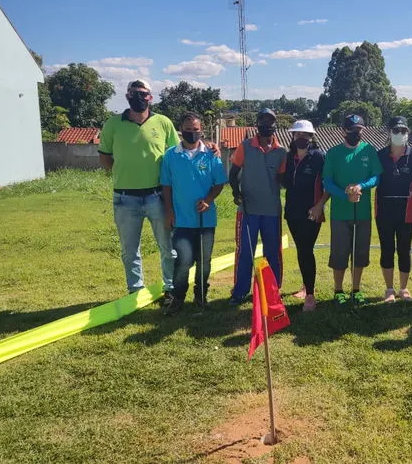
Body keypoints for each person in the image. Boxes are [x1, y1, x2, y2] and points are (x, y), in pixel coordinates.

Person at [98, 79, 179, 299]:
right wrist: (123, 172)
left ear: (150, 97)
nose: (139, 97)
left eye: (143, 93)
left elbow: (176, 155)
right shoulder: (113, 124)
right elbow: (105, 157)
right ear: (127, 96)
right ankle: (135, 290)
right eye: (134, 93)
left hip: (157, 196)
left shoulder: (163, 123)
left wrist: (208, 147)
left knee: (167, 246)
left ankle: (170, 288)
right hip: (125, 198)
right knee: (129, 249)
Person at [159, 112, 227, 315]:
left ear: (201, 130)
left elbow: (219, 182)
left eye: (196, 130)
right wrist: (169, 212)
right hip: (181, 221)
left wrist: (207, 200)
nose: (192, 134)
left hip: (206, 221)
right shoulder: (170, 155)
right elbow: (166, 186)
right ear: (181, 131)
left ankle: (201, 296)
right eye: (188, 130)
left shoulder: (211, 155)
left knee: (204, 261)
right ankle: (178, 298)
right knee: (183, 261)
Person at [322, 114, 383, 305]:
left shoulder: (369, 150)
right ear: (343, 131)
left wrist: (361, 186)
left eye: (359, 130)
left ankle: (356, 289)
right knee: (339, 253)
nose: (355, 134)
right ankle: (338, 290)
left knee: (360, 253)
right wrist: (344, 194)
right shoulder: (333, 153)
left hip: (363, 212)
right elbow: (327, 182)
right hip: (340, 213)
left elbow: (376, 177)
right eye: (351, 130)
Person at [229, 108, 286, 304]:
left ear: (275, 125)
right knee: (245, 252)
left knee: (272, 252)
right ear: (257, 124)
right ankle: (239, 292)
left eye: (270, 122)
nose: (267, 126)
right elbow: (233, 173)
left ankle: (272, 291)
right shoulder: (245, 146)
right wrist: (236, 194)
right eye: (263, 121)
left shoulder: (281, 152)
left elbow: (283, 179)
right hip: (248, 211)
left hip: (272, 211)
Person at [375, 116, 412, 302]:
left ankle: (403, 288)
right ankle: (389, 289)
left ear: (408, 133)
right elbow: (370, 178)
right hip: (383, 209)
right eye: (396, 131)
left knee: (404, 248)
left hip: (407, 210)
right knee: (387, 248)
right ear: (389, 133)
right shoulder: (380, 155)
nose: (400, 134)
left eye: (403, 131)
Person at [282, 120, 329, 312]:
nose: (301, 138)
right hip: (292, 213)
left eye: (305, 135)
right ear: (293, 136)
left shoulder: (319, 157)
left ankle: (310, 295)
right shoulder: (287, 157)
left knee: (306, 250)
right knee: (302, 250)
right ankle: (306, 286)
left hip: (312, 212)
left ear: (311, 137)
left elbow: (329, 185)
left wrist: (319, 205)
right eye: (298, 134)